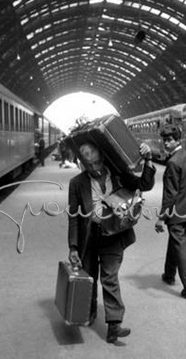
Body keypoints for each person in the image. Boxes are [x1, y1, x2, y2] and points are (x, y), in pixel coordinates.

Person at [67, 141, 156, 343]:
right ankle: (87, 314)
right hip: (89, 237)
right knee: (89, 276)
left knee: (109, 278)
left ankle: (114, 326)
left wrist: (148, 159)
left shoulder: (119, 175)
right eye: (88, 165)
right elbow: (73, 216)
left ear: (103, 159)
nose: (94, 169)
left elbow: (145, 185)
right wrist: (73, 246)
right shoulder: (77, 183)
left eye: (97, 163)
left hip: (114, 235)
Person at [154, 124, 186, 301]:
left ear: (177, 140)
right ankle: (169, 274)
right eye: (164, 140)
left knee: (179, 246)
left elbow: (170, 195)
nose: (166, 143)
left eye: (169, 140)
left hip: (177, 212)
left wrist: (161, 218)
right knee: (175, 241)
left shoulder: (173, 162)